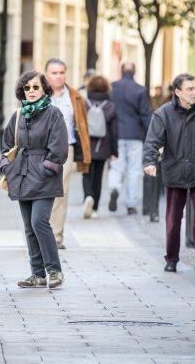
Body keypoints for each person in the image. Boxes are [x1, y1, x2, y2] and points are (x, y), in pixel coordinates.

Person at [143, 73, 195, 274]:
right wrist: (149, 161)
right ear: (178, 92)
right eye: (190, 89)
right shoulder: (163, 114)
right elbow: (152, 141)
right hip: (175, 173)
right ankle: (171, 259)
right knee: (173, 218)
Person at [1, 71, 69, 288]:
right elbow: (6, 144)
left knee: (39, 221)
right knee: (29, 227)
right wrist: (7, 167)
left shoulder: (53, 114)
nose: (31, 91)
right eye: (27, 88)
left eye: (35, 87)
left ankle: (54, 271)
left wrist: (46, 169)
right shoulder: (19, 114)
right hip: (21, 175)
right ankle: (37, 274)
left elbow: (59, 148)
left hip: (44, 177)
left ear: (44, 89)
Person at [44, 59, 91, 249]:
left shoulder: (75, 97)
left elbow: (82, 125)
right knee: (39, 192)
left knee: (60, 193)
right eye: (54, 73)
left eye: (62, 72)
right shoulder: (38, 95)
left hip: (66, 150)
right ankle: (40, 233)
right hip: (41, 150)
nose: (59, 76)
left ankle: (56, 237)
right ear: (47, 75)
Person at [108, 62, 153, 215]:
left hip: (117, 134)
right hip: (135, 135)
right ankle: (131, 204)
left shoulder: (112, 87)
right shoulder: (140, 90)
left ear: (121, 71)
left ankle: (114, 188)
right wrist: (152, 137)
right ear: (135, 72)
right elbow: (146, 115)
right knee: (134, 170)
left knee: (116, 166)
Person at [82, 76, 119, 219]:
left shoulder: (84, 103)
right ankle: (95, 208)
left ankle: (88, 197)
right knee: (98, 177)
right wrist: (114, 151)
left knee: (86, 173)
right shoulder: (110, 106)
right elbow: (114, 130)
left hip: (87, 145)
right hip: (103, 146)